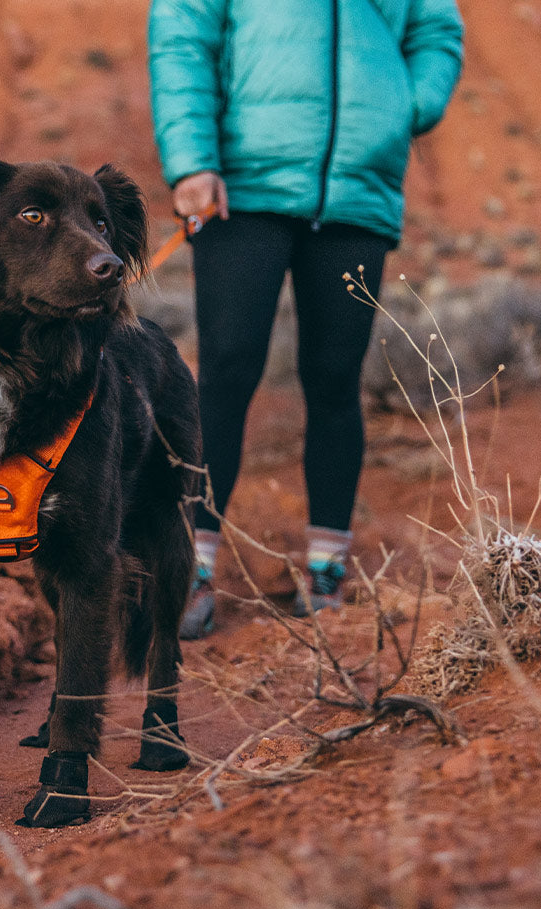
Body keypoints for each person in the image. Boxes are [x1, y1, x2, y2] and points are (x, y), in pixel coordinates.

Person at [148, 0, 463, 636]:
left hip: (354, 192)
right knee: (226, 374)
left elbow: (437, 30)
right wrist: (191, 160)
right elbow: (182, 31)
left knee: (335, 379)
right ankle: (188, 568)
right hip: (242, 187)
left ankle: (326, 570)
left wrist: (405, 104)